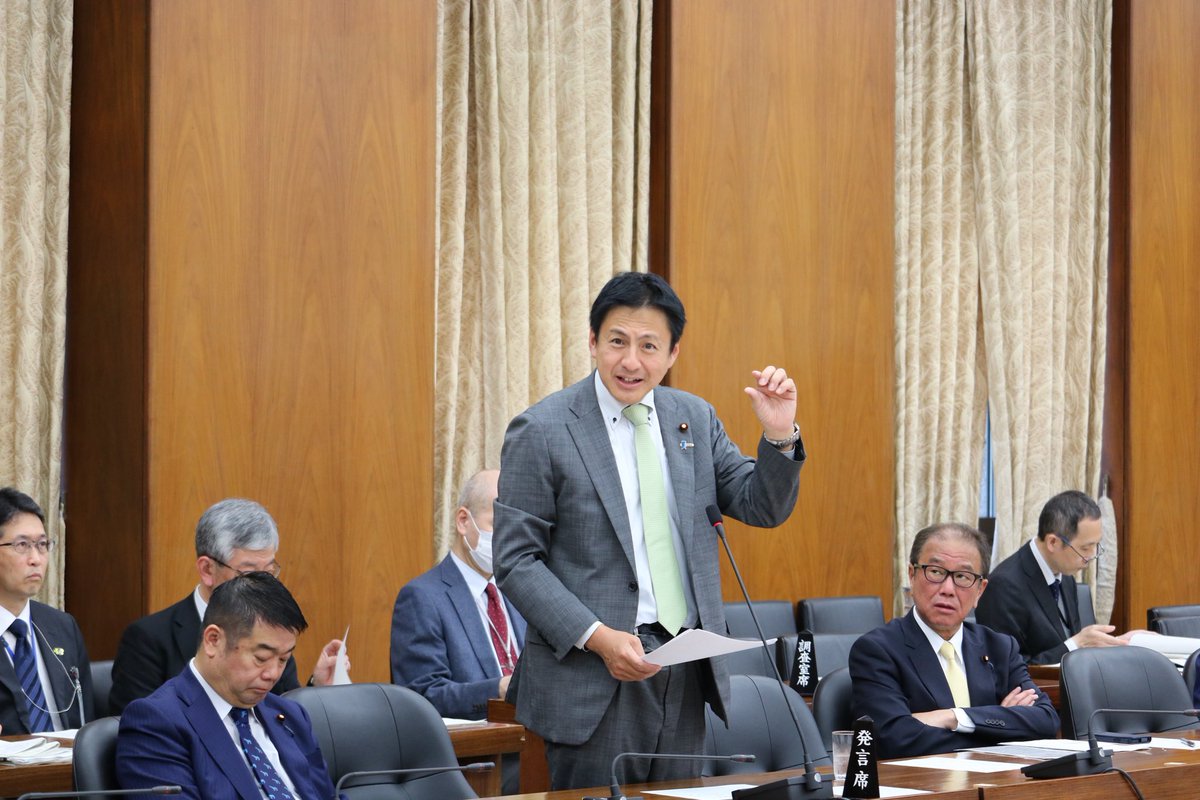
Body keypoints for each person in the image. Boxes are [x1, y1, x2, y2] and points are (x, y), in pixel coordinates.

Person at [493, 271, 806, 790]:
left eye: (648, 346)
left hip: (684, 669)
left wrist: (779, 435)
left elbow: (761, 506)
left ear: (673, 352)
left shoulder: (693, 418)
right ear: (593, 341)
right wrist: (598, 638)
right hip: (591, 677)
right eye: (617, 341)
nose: (631, 361)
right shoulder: (543, 429)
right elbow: (517, 561)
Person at [116, 571, 339, 798]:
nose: (273, 674)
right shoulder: (157, 723)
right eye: (261, 658)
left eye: (283, 659)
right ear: (213, 640)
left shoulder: (291, 716)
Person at [110, 498, 344, 713]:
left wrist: (315, 689)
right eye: (249, 574)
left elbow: (284, 719)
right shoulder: (149, 639)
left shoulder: (272, 632)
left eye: (269, 572)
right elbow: (139, 726)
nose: (264, 585)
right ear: (207, 569)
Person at [849, 522, 1059, 759]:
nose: (948, 589)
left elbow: (1046, 720)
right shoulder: (878, 650)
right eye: (936, 572)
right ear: (912, 575)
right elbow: (892, 737)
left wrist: (954, 717)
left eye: (962, 576)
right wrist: (999, 725)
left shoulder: (1000, 647)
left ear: (980, 590)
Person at [391, 469, 526, 720]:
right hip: (475, 743)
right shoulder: (422, 598)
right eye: (498, 525)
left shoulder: (519, 591)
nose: (509, 539)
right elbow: (422, 696)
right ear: (463, 521)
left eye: (516, 529)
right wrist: (498, 689)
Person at [975, 490, 1142, 665]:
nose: (1091, 557)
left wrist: (1120, 643)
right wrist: (1076, 644)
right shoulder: (1002, 586)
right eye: (1085, 548)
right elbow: (1007, 667)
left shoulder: (1065, 574)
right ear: (1053, 542)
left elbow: (1072, 644)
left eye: (1095, 546)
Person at [0, 488, 94, 733]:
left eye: (42, 545)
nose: (36, 559)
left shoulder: (62, 626)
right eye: (22, 545)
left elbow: (87, 722)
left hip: (67, 756)